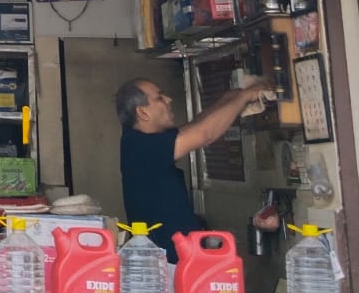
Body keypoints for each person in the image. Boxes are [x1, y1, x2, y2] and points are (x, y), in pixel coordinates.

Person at [115, 77, 274, 262]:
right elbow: (204, 134)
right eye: (159, 97)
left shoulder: (142, 139)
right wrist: (245, 96)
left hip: (177, 260)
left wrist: (230, 98)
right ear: (143, 113)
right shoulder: (141, 147)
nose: (168, 100)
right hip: (167, 266)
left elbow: (196, 125)